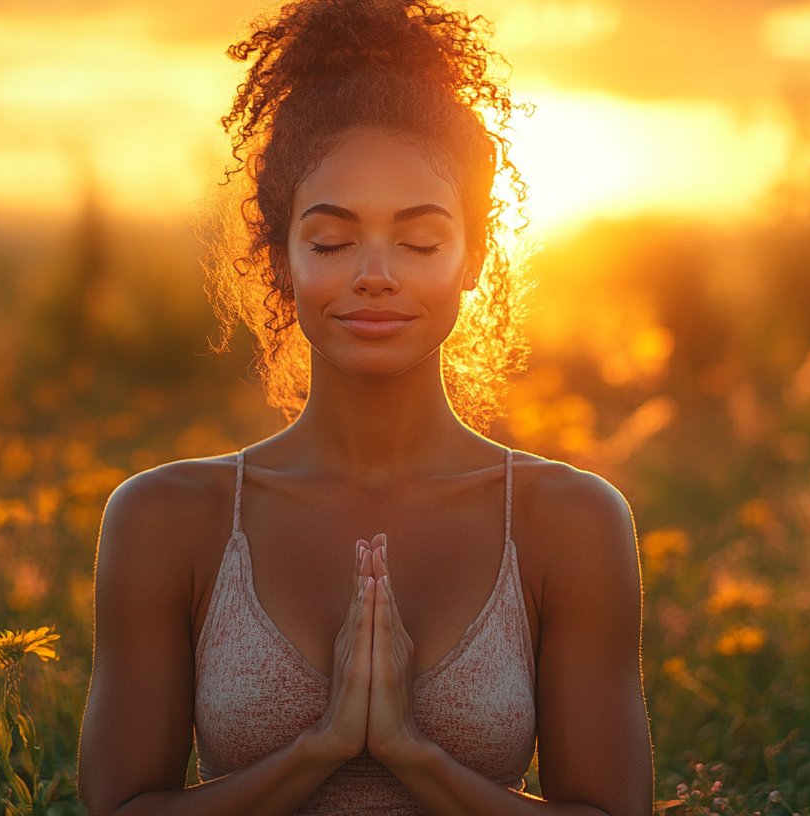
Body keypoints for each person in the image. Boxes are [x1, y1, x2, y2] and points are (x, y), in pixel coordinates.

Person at [78, 0, 652, 813]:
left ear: (473, 258)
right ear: (279, 259)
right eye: (331, 241)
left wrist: (414, 758)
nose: (374, 273)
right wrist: (320, 750)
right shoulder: (166, 518)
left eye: (419, 242)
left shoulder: (572, 522)